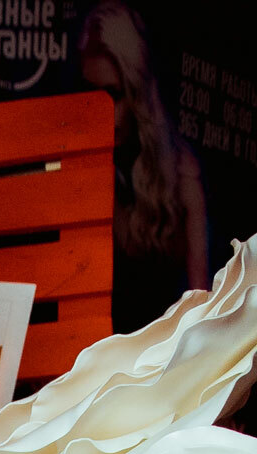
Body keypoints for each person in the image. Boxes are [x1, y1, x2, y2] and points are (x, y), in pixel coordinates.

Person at [79, 0, 209, 332]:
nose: (103, 113)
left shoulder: (181, 171)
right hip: (88, 351)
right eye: (92, 96)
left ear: (136, 90)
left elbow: (200, 302)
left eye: (114, 95)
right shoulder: (78, 169)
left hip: (166, 353)